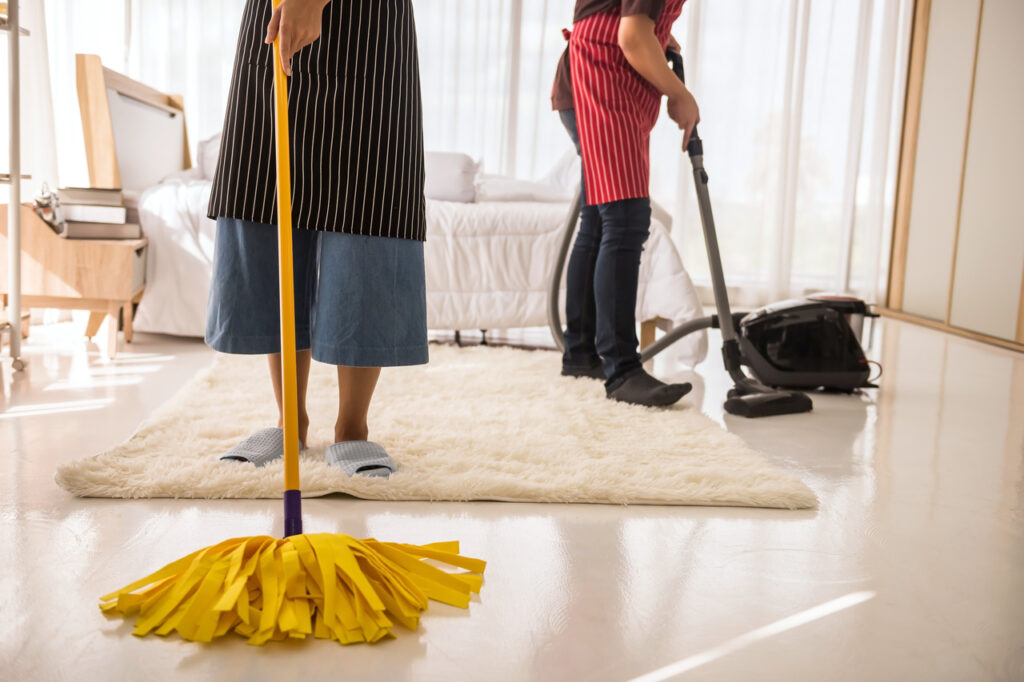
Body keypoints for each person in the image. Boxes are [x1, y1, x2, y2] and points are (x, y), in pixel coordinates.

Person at [205, 0, 428, 476]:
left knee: (370, 208)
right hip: (273, 23)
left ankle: (352, 428)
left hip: (370, 31)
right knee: (267, 204)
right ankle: (289, 422)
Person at [552, 0, 699, 407]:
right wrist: (679, 94)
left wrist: (660, 30)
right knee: (625, 218)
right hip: (601, 74)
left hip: (597, 76)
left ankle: (582, 354)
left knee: (600, 220)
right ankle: (622, 371)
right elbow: (631, 35)